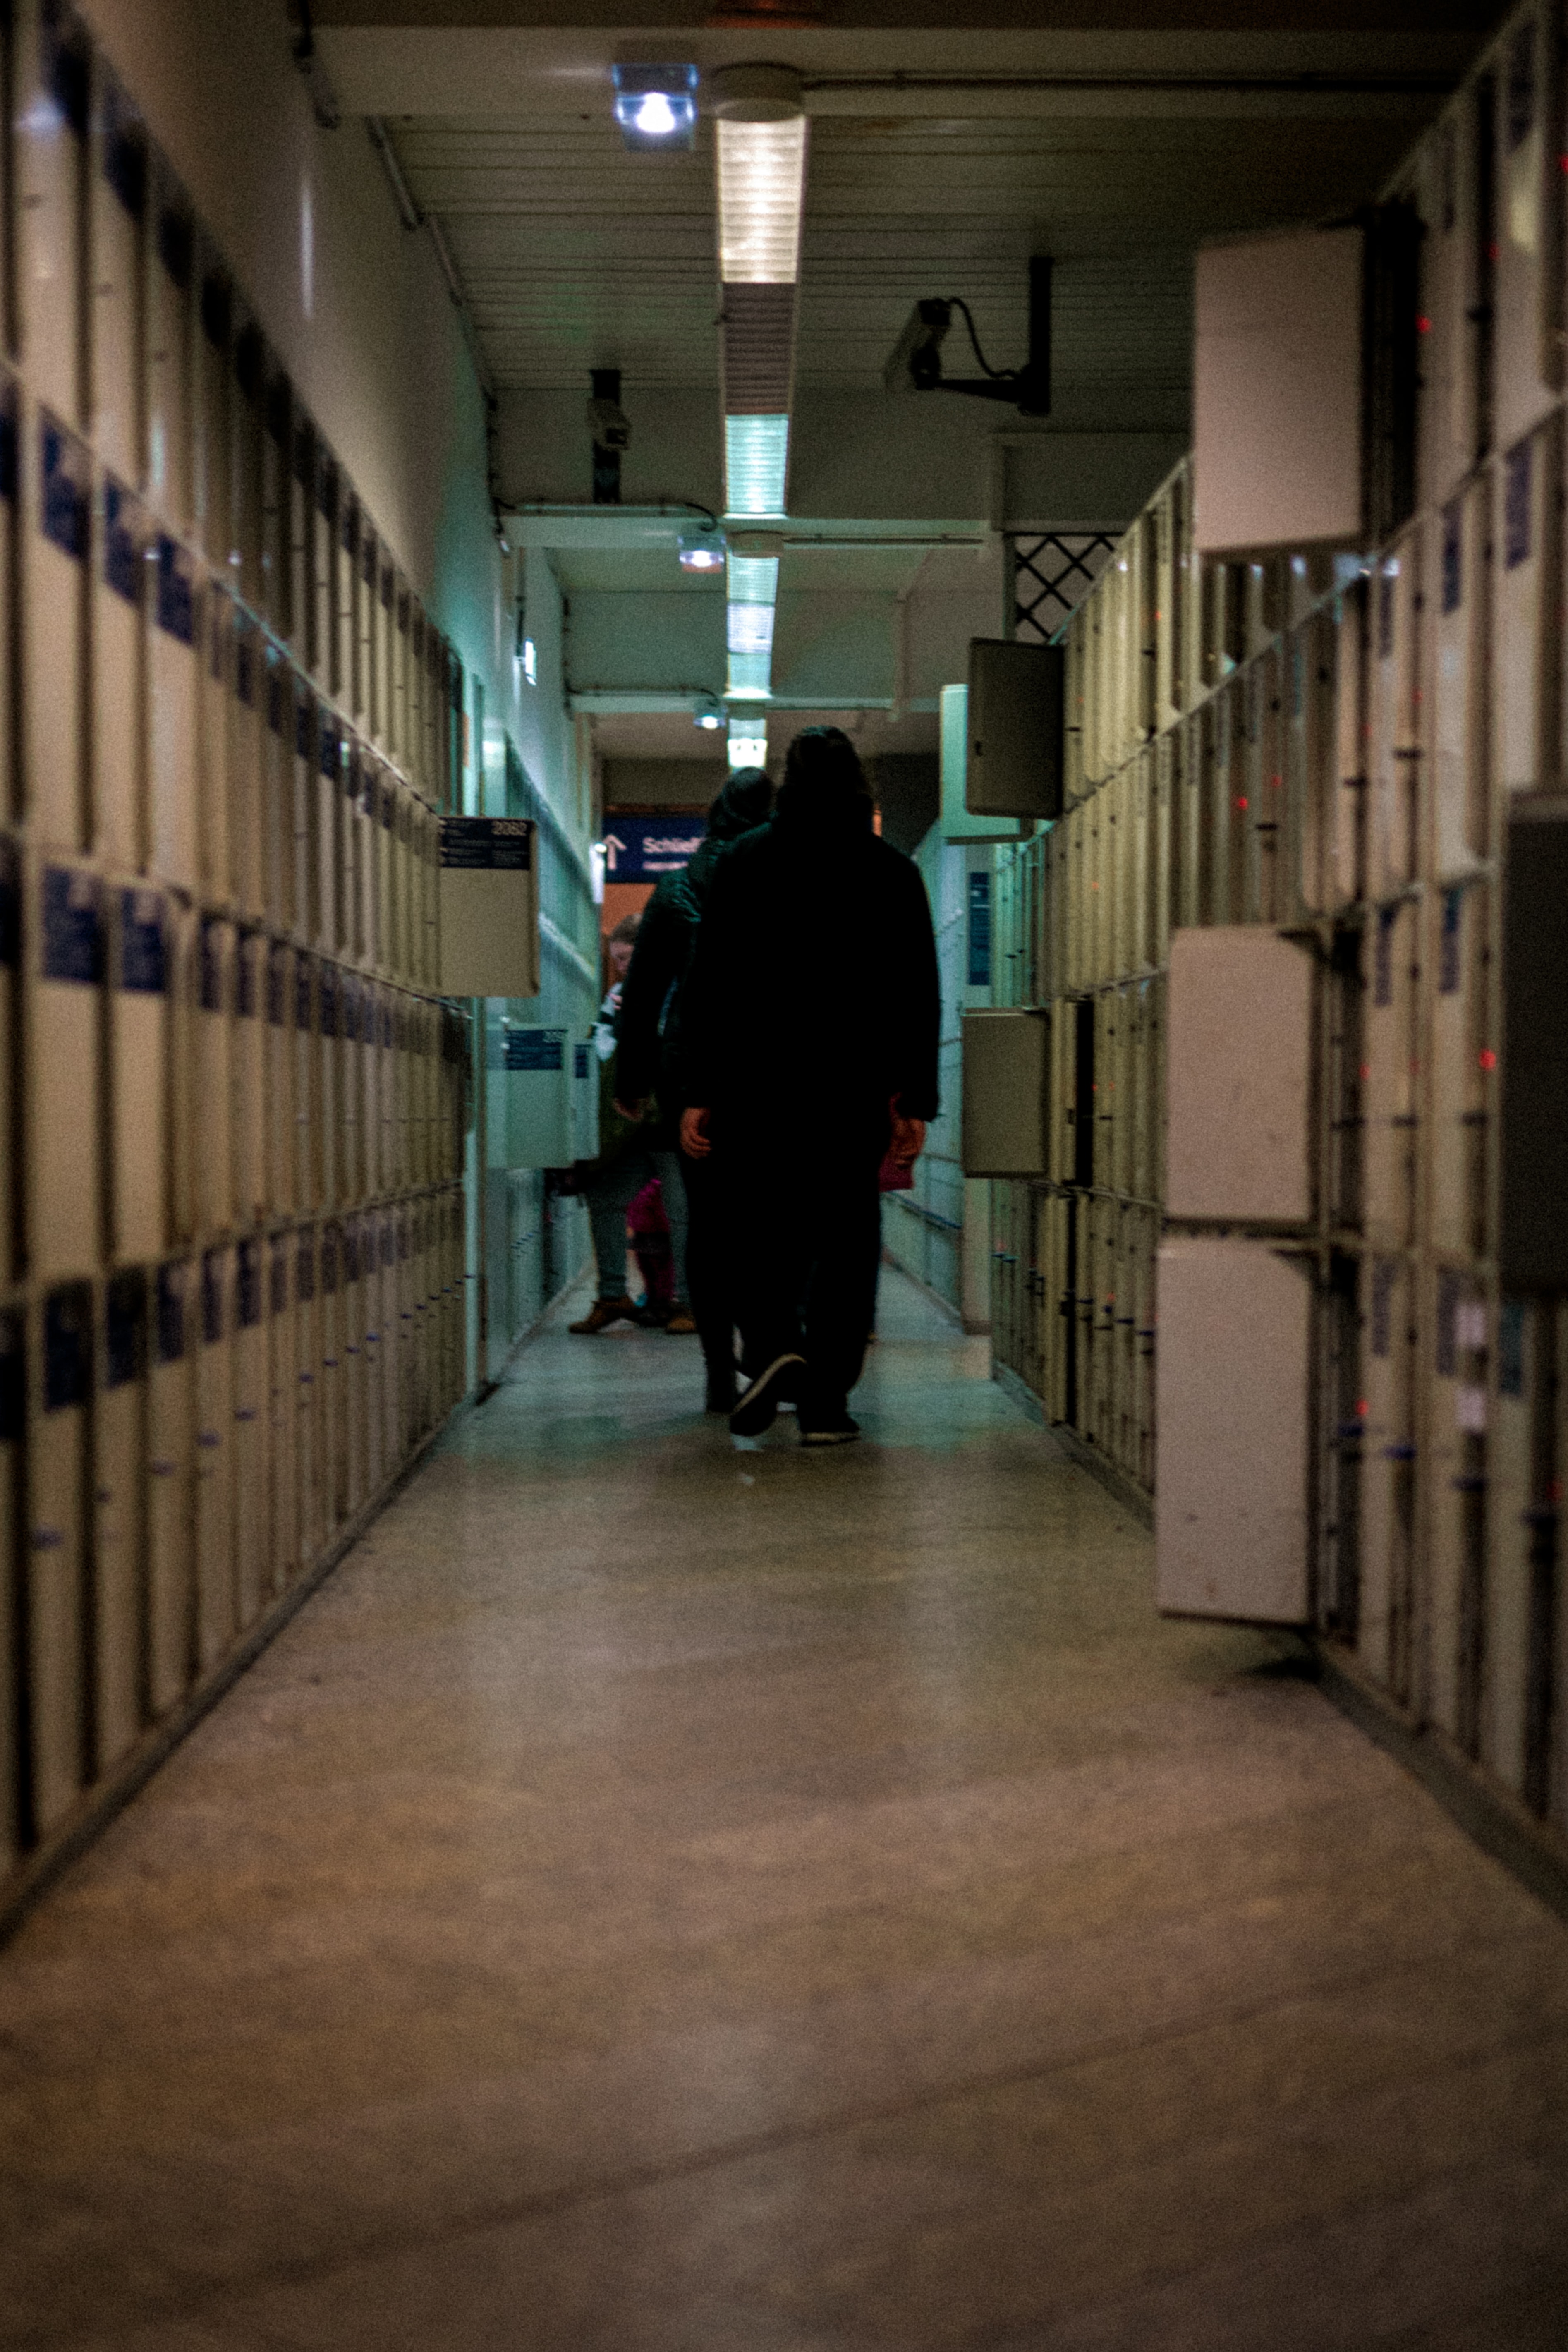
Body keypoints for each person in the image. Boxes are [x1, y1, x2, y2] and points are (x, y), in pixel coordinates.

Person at [677, 727, 939, 1446]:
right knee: (849, 1238)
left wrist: (701, 1087)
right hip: (851, 1088)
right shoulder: (891, 872)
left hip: (759, 1087)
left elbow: (711, 984)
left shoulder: (743, 863)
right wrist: (915, 1100)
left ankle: (772, 1348)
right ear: (860, 783)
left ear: (786, 783)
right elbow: (918, 992)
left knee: (759, 1226)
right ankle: (826, 1402)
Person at [614, 768, 773, 1410]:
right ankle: (764, 1351)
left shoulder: (675, 888)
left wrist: (633, 1080)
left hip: (692, 1077)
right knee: (769, 1220)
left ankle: (715, 1367)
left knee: (709, 1222)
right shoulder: (780, 882)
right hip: (774, 1078)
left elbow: (643, 993)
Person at [568, 910, 693, 1334]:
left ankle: (688, 1304)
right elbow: (601, 1049)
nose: (621, 968)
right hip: (631, 1127)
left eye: (628, 958)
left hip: (672, 1126)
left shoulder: (682, 995)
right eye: (617, 960)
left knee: (682, 1212)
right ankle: (612, 1295)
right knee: (604, 1196)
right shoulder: (618, 997)